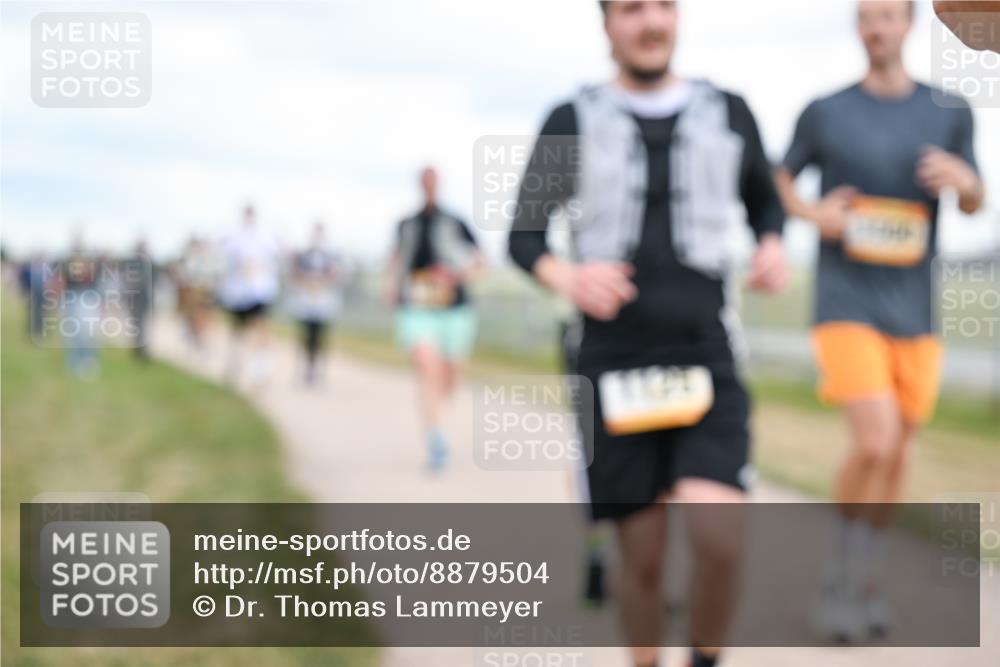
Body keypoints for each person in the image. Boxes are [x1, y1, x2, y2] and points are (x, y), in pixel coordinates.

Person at [508, 3, 788, 665]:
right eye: (631, 8)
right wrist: (567, 275)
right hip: (613, 359)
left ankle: (703, 655)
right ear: (607, 23)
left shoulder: (731, 110)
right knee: (644, 556)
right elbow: (523, 235)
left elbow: (766, 201)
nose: (650, 22)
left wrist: (772, 242)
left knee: (720, 538)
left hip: (706, 352)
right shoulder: (569, 119)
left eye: (662, 5)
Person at [774, 0, 984, 643]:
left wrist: (963, 179)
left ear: (909, 24)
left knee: (897, 454)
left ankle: (862, 580)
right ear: (857, 28)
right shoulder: (826, 110)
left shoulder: (948, 111)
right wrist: (814, 216)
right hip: (845, 300)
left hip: (915, 308)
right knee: (874, 439)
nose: (876, 27)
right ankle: (837, 577)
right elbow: (780, 180)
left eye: (888, 16)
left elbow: (976, 202)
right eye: (865, 17)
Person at [385, 167, 484, 473]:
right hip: (416, 307)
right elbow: (396, 259)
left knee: (448, 375)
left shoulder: (455, 221)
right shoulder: (405, 224)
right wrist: (390, 286)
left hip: (453, 308)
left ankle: (436, 413)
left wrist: (458, 276)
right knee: (428, 369)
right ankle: (436, 437)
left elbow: (480, 260)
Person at [217, 204, 282, 389]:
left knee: (261, 330)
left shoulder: (264, 237)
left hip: (260, 292)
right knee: (237, 331)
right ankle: (234, 365)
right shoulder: (235, 236)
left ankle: (260, 371)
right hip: (238, 293)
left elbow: (273, 258)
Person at [288, 222, 345, 386]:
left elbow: (337, 276)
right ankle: (304, 370)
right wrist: (306, 279)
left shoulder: (331, 256)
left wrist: (322, 280)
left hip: (323, 302)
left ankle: (318, 372)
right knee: (305, 336)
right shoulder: (303, 255)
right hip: (306, 301)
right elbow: (295, 275)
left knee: (320, 337)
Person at [173, 236, 219, 352]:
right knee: (192, 315)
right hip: (191, 292)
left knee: (202, 316)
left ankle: (200, 338)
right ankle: (193, 334)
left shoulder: (206, 260)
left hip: (202, 292)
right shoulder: (186, 259)